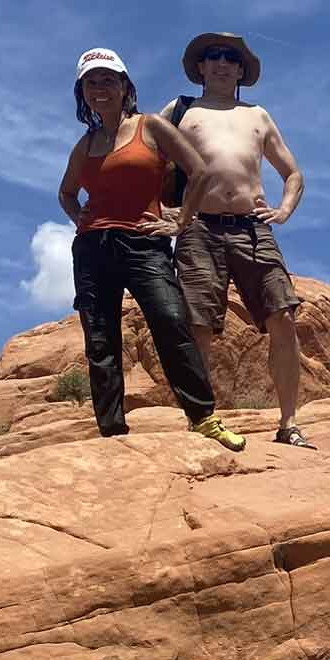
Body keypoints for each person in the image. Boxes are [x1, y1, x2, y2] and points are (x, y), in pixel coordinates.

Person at [57, 46, 245, 451]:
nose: (99, 88)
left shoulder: (151, 128)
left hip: (145, 243)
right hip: (93, 250)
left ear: (125, 86)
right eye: (91, 82)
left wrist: (181, 220)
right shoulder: (85, 144)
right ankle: (111, 431)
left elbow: (199, 171)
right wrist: (80, 220)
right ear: (82, 92)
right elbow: (67, 193)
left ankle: (204, 419)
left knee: (172, 323)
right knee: (101, 342)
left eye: (108, 79)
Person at [168, 31, 314, 448]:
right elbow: (148, 159)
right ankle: (199, 421)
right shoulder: (182, 111)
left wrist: (284, 210)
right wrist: (165, 213)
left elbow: (293, 173)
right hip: (198, 229)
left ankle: (288, 424)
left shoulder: (257, 115)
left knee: (283, 316)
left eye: (230, 58)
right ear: (200, 66)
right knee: (199, 326)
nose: (221, 63)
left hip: (252, 228)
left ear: (241, 70)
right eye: (212, 56)